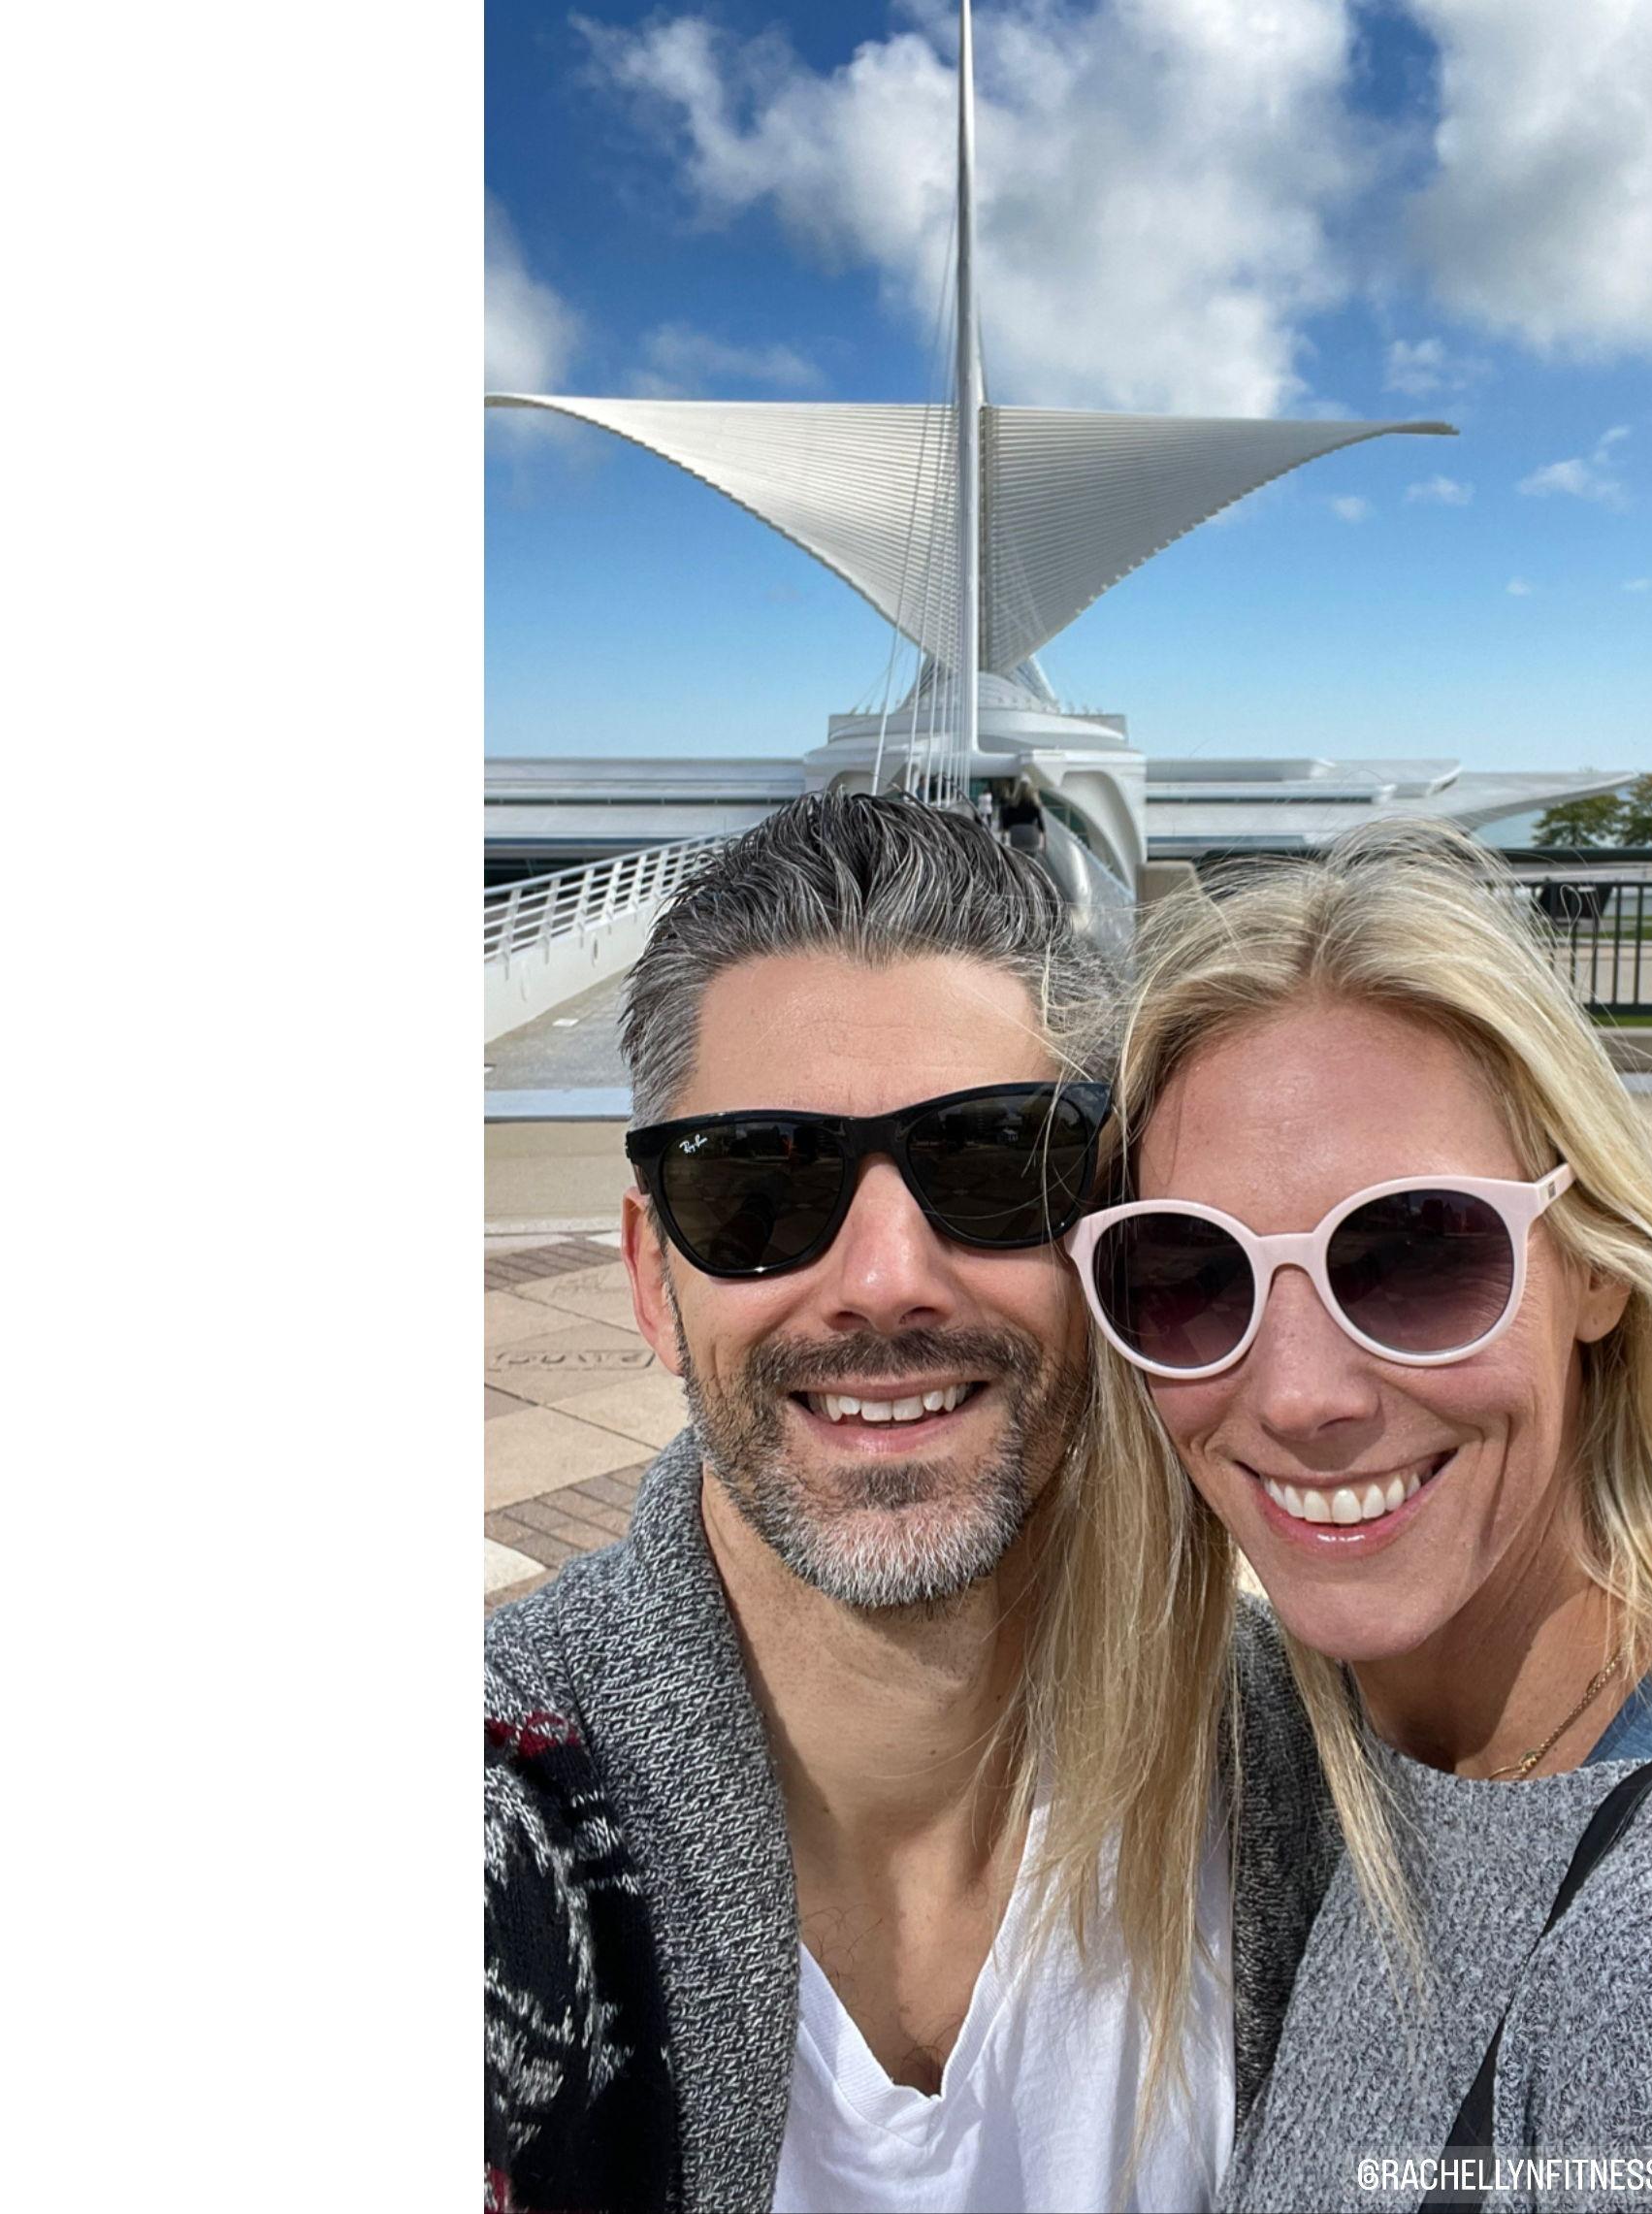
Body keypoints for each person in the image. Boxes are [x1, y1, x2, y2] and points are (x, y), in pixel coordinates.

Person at [483, 794, 1333, 2214]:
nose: (885, 1279)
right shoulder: (504, 1806)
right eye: (757, 1182)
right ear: (651, 1276)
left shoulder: (1316, 1778)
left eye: (995, 1164)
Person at [1066, 819, 1652, 2212]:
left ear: (1595, 1266)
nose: (1300, 1395)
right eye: (1187, 1273)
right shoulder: (1297, 1751)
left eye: (1415, 1252)